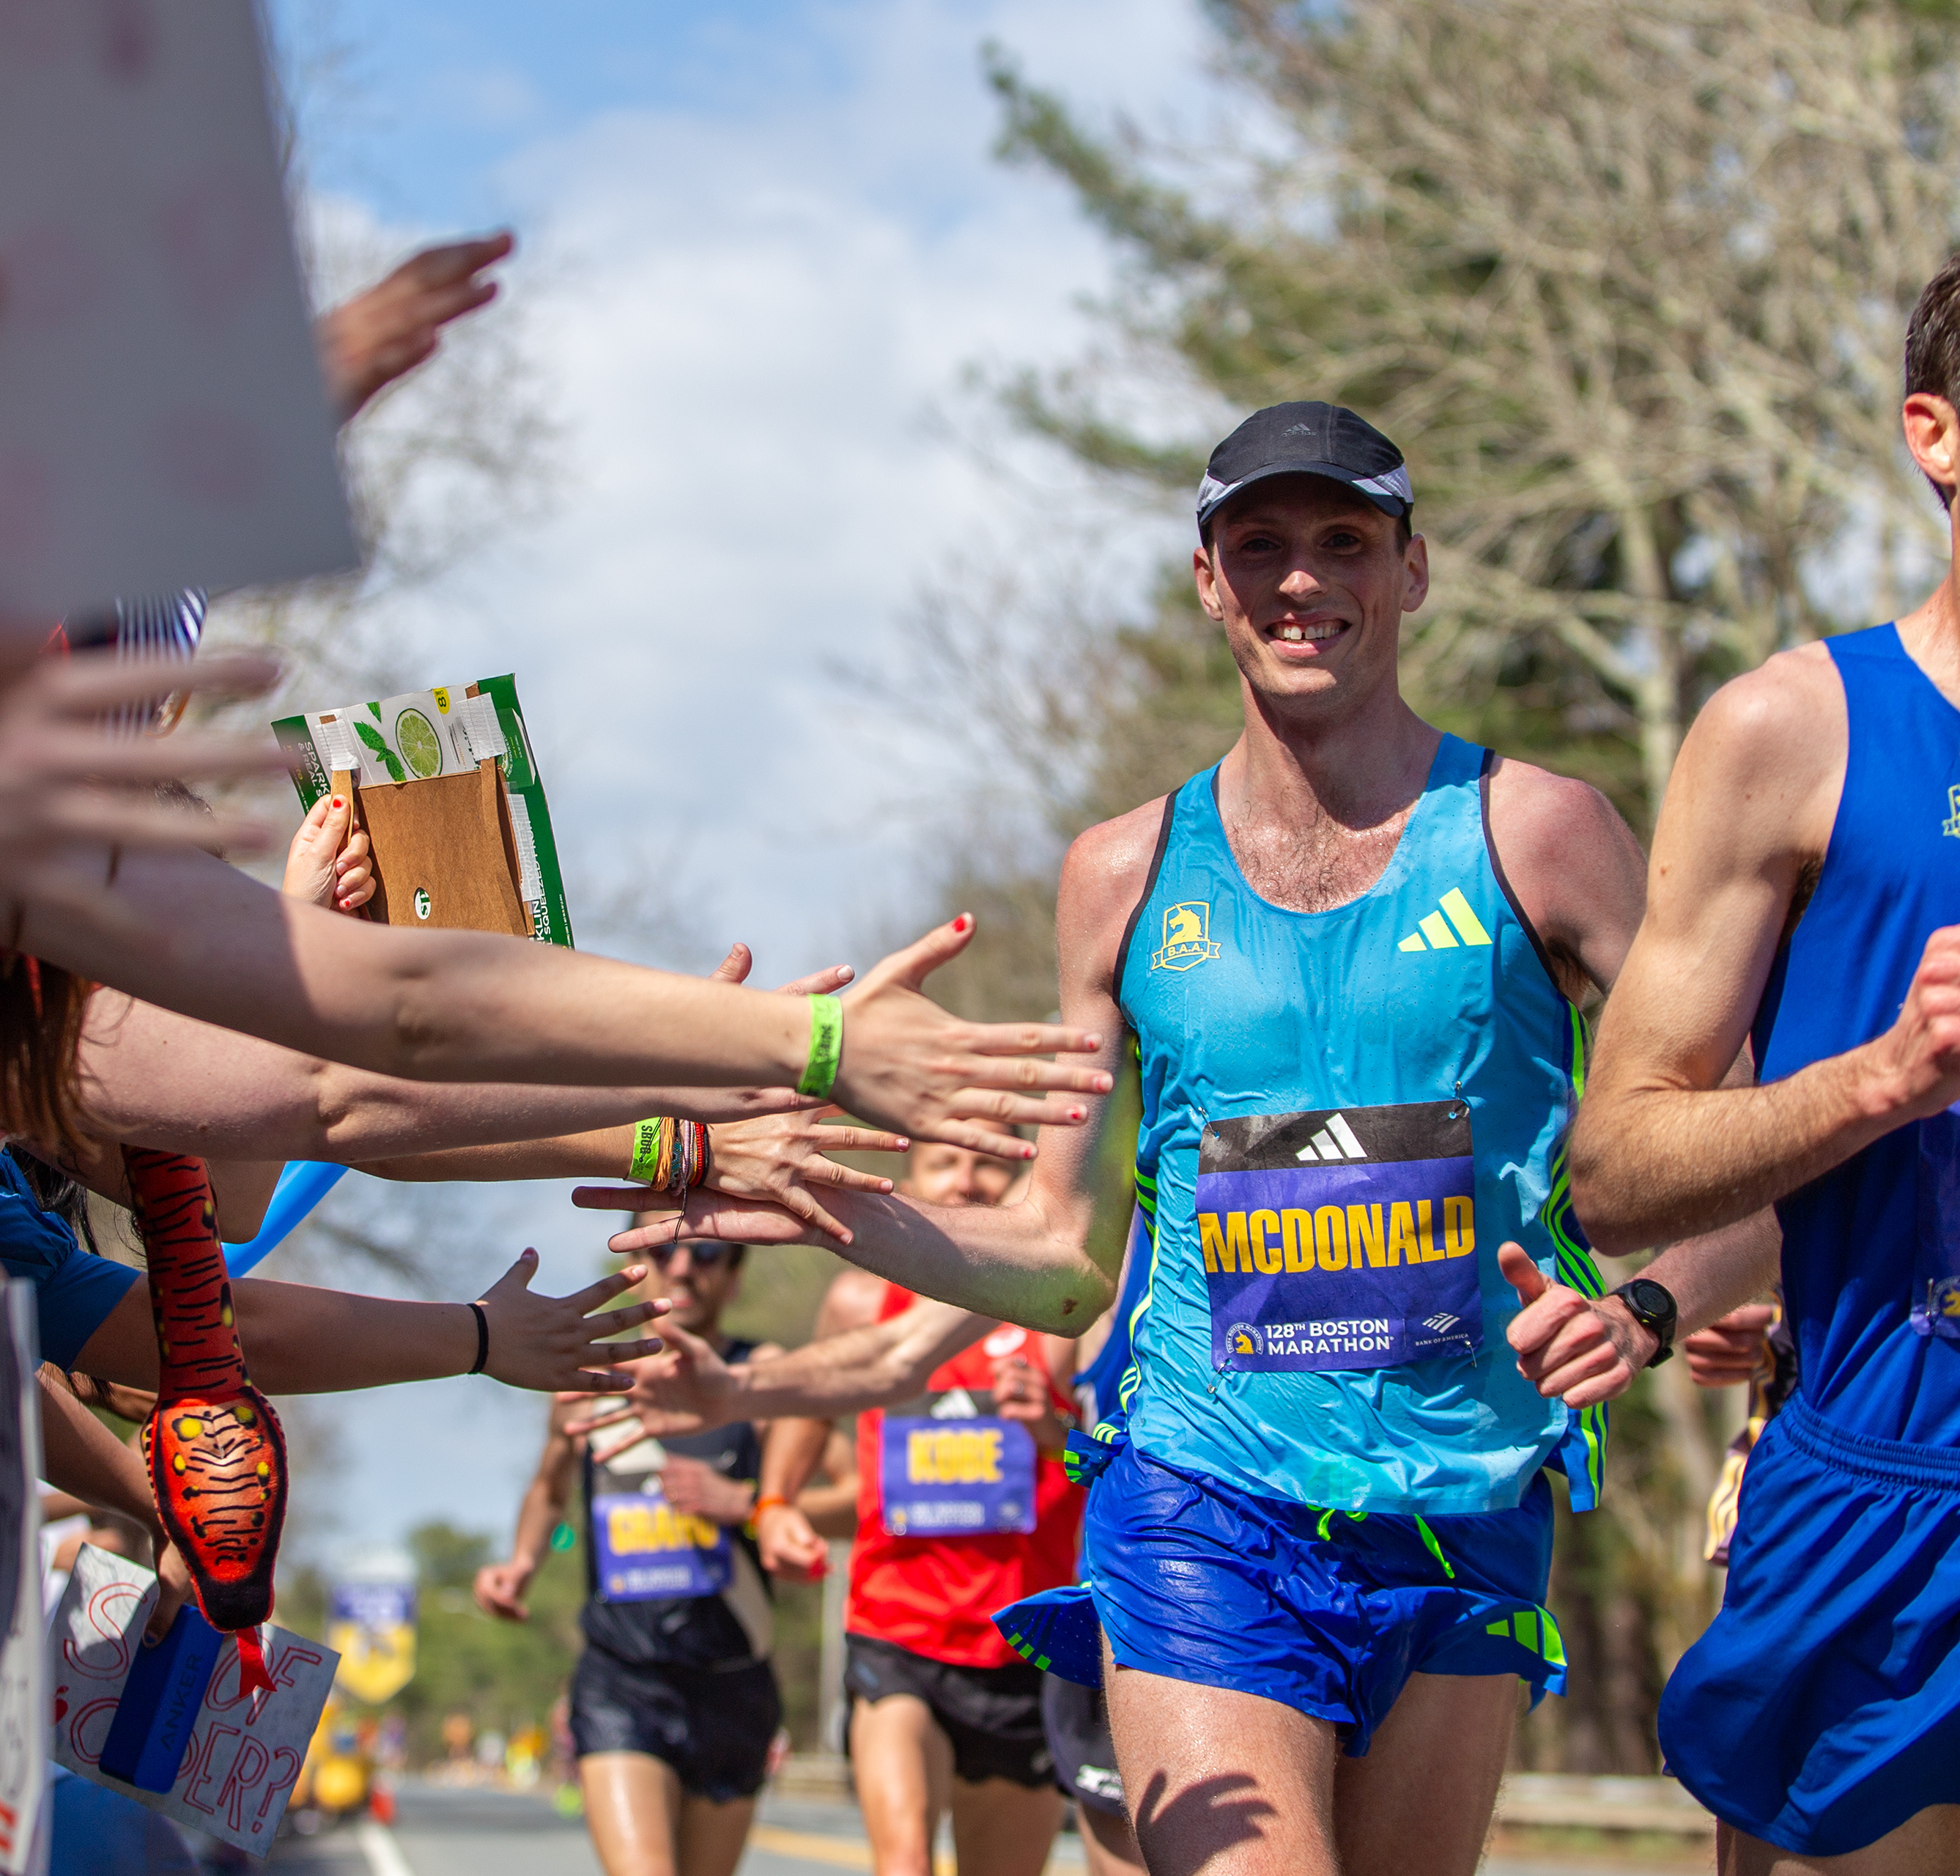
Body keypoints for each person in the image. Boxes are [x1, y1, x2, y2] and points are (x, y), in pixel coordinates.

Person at [584, 402, 1778, 1876]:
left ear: (1413, 570)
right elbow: (1045, 1246)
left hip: (1469, 1493)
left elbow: (1763, 1143)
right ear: (1207, 580)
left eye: (1343, 541)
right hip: (1202, 1487)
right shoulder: (1122, 872)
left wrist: (1651, 1307)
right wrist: (823, 1201)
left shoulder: (1539, 831)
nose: (1299, 579)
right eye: (1256, 545)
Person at [1561, 259, 1960, 1872]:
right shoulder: (1794, 729)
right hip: (1890, 1482)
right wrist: (1887, 1075)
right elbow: (1616, 1167)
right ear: (1938, 436)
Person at [751, 1143, 1087, 1876]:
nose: (967, 1179)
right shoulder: (863, 1302)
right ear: (909, 1185)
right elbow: (809, 1406)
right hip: (896, 1628)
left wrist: (1055, 1429)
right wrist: (775, 1501)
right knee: (902, 1862)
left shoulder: (1063, 1296)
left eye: (991, 1163)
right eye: (945, 1162)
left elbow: (1112, 1460)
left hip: (1024, 1639)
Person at [473, 1227, 783, 1876]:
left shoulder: (768, 1378)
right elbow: (549, 1488)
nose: (682, 1267)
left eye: (705, 1253)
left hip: (732, 1682)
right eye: (662, 1251)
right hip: (623, 1677)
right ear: (638, 1264)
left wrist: (746, 1503)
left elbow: (854, 1494)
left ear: (734, 1275)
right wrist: (522, 1563)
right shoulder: (588, 1377)